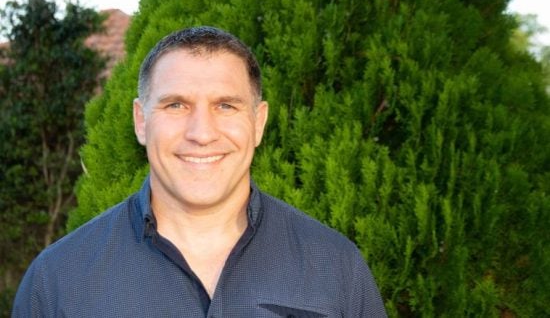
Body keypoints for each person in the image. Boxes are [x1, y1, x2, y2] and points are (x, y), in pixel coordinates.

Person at [12, 26, 386, 317]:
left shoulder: (336, 268)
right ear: (141, 122)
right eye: (176, 105)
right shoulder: (58, 281)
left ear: (259, 122)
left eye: (226, 106)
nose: (202, 133)